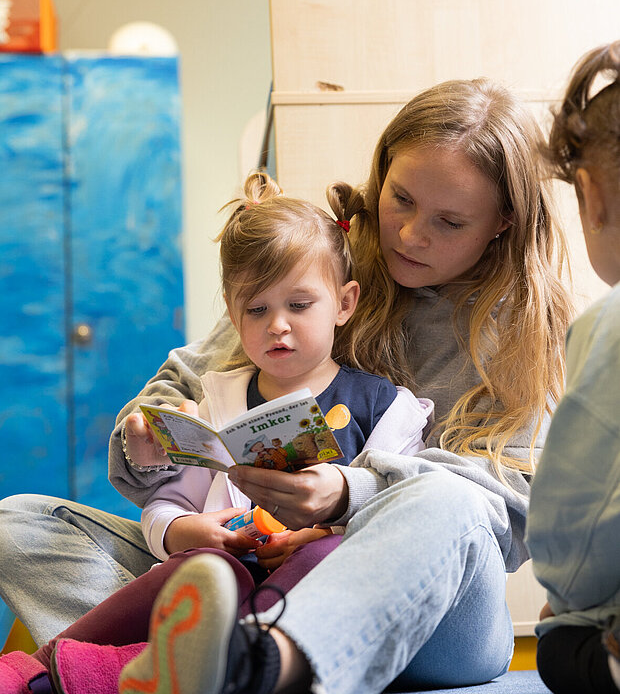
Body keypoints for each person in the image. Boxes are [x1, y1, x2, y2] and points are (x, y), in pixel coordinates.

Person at [0, 78, 572, 692]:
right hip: (245, 562)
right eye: (399, 199)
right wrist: (151, 430)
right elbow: (191, 379)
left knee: (447, 501)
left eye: (449, 222)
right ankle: (183, 654)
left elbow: (514, 511)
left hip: (432, 607)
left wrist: (351, 493)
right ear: (381, 174)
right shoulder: (314, 263)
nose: (409, 235)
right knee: (20, 521)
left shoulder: (519, 332)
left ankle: (244, 661)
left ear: (501, 225)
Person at [0, 171, 430, 693]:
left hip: (318, 594)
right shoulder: (215, 401)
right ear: (232, 313)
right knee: (203, 567)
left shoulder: (384, 408)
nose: (278, 325)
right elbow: (166, 506)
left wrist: (326, 530)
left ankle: (215, 665)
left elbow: (407, 522)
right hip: (222, 576)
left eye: (299, 305)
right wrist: (183, 531)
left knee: (325, 556)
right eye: (257, 309)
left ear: (344, 303)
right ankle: (44, 667)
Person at [524, 42, 620, 694]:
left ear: (590, 196)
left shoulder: (608, 324)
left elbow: (579, 517)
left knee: (559, 640)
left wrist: (564, 593)